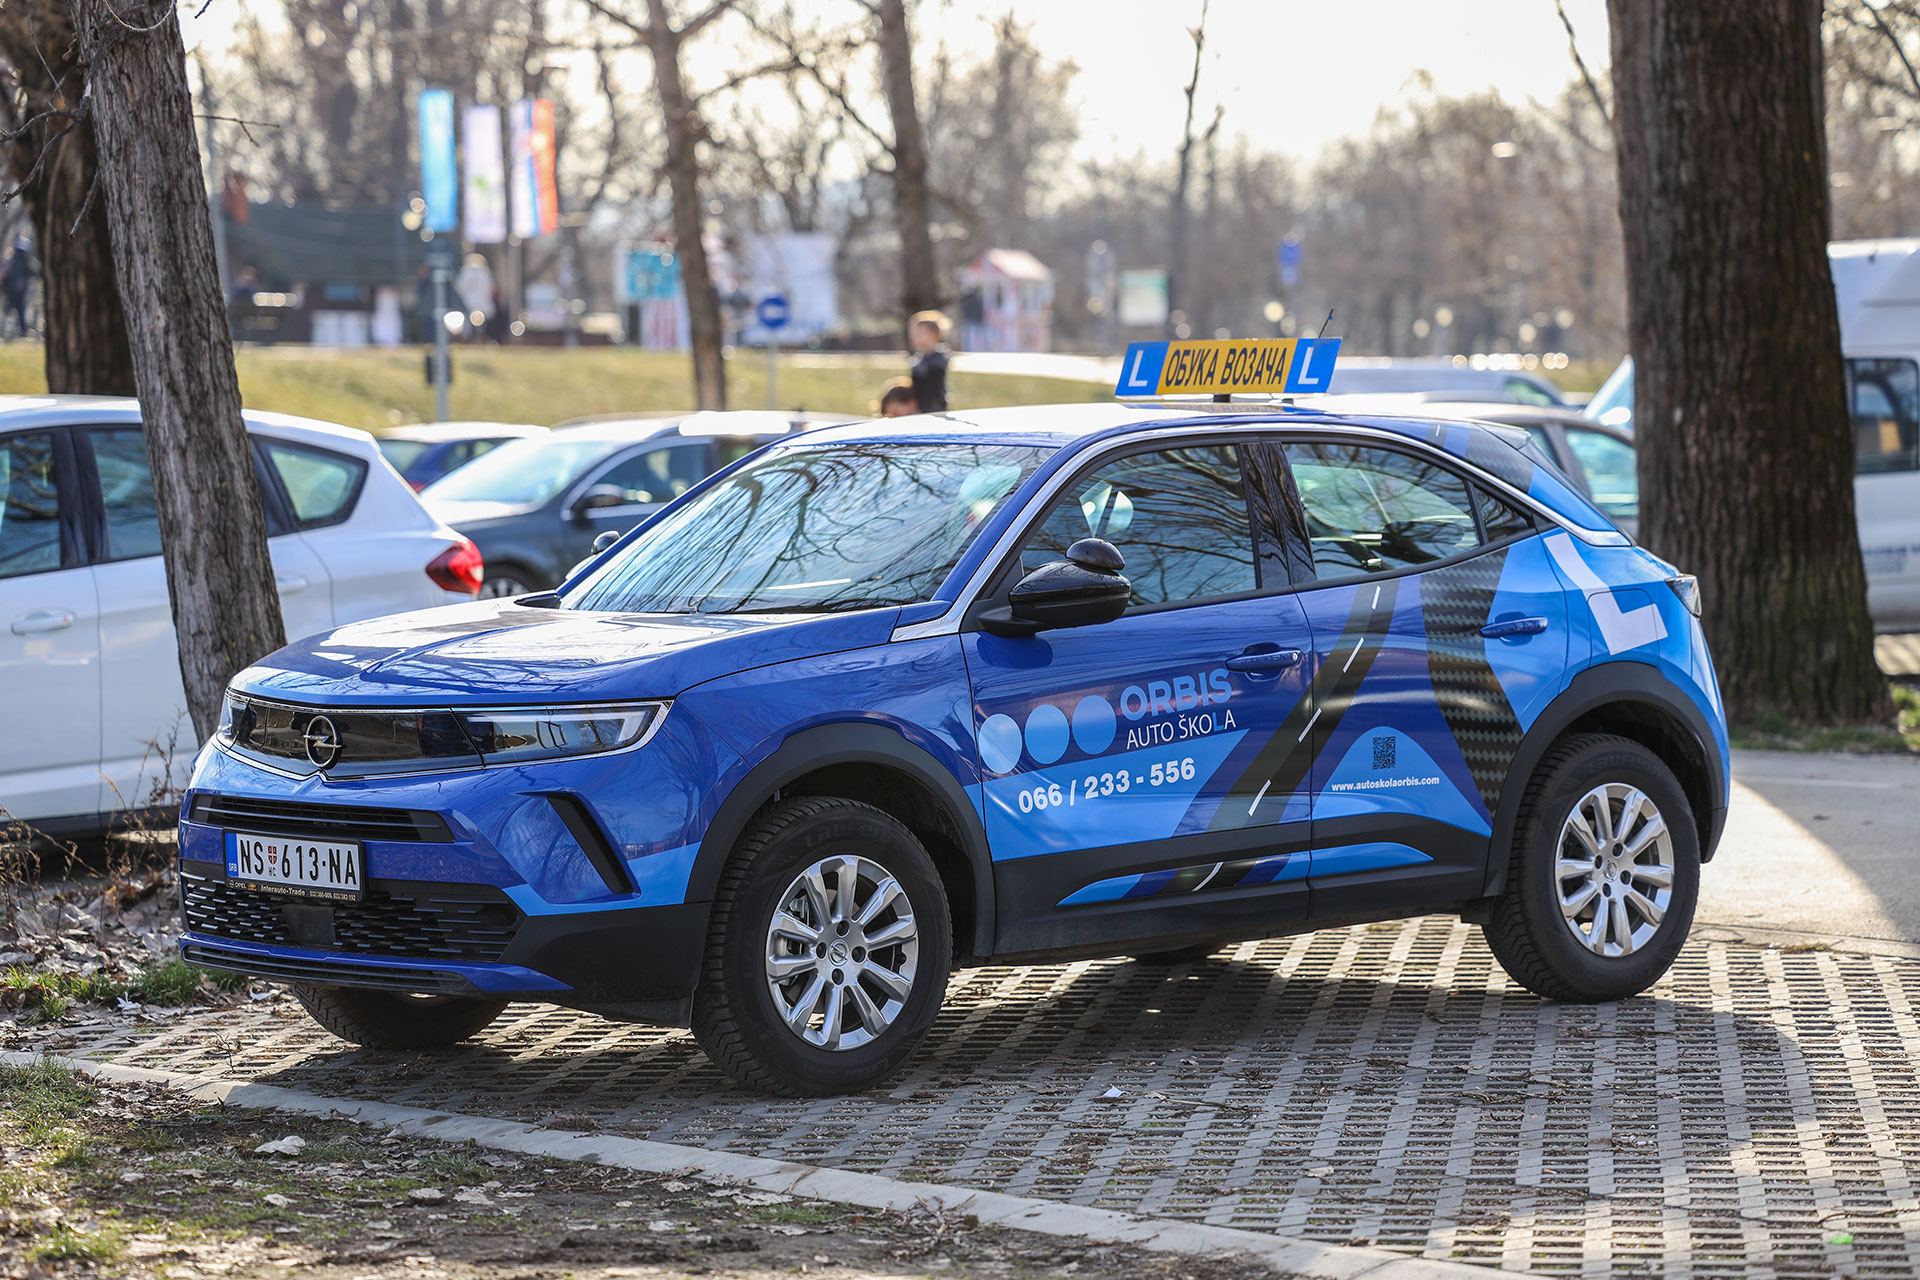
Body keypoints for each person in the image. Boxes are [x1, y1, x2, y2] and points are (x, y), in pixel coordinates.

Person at [908, 310, 950, 413]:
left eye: (920, 333)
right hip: (919, 408)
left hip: (933, 409)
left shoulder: (937, 361)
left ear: (934, 335)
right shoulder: (918, 360)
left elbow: (933, 390)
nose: (914, 336)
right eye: (914, 333)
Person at [2, 238, 36, 340]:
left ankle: (5, 332)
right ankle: (22, 332)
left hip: (10, 291)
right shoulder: (24, 261)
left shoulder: (11, 260)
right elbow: (33, 273)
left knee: (8, 311)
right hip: (20, 292)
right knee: (20, 312)